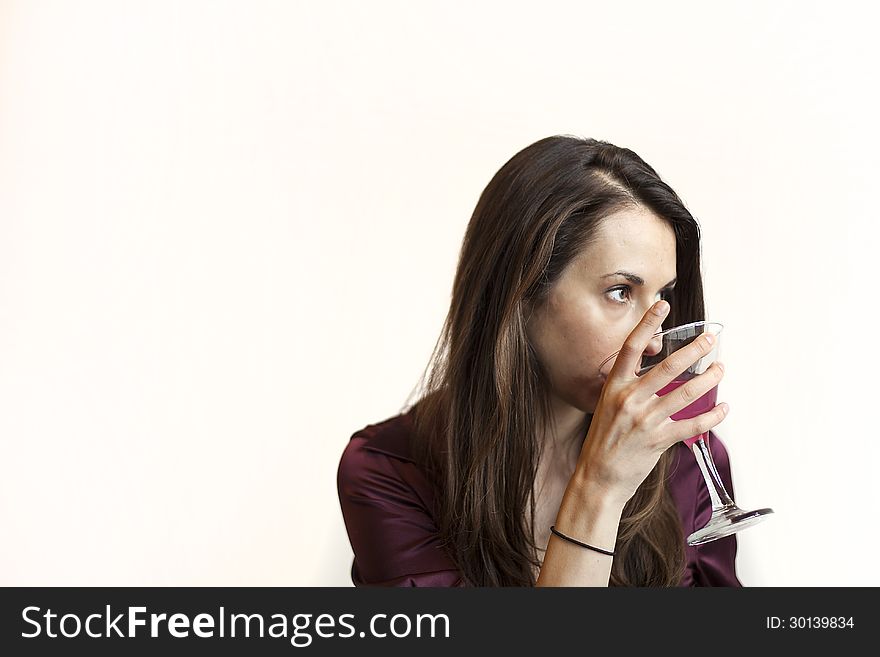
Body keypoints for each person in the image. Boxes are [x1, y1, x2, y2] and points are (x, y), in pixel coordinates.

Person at [336, 135, 742, 587]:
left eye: (663, 296)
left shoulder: (686, 467)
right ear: (522, 295)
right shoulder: (389, 472)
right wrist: (599, 489)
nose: (653, 341)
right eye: (620, 292)